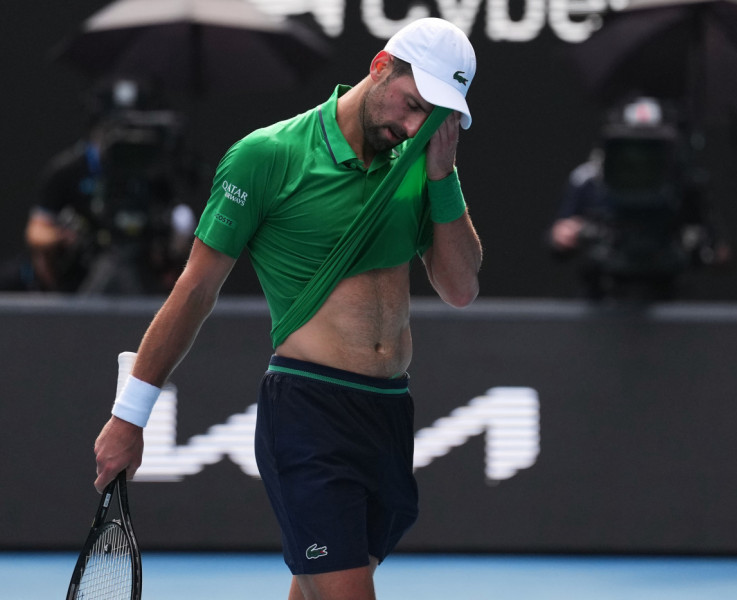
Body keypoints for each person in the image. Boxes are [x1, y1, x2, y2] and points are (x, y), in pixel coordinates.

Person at [93, 18, 482, 600]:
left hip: (388, 414)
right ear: (380, 67)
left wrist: (443, 175)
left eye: (431, 117)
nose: (412, 126)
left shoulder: (419, 163)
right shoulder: (267, 156)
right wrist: (129, 417)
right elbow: (195, 291)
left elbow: (460, 288)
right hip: (310, 415)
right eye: (411, 104)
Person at [16, 79, 197, 294]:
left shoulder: (153, 173)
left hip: (143, 273)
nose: (126, 137)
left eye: (133, 129)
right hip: (82, 276)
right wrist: (65, 237)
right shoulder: (68, 170)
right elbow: (36, 231)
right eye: (117, 128)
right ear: (97, 126)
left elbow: (175, 226)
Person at [548, 97, 730, 301]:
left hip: (669, 295)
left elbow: (718, 252)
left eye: (651, 147)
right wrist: (568, 235)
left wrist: (703, 247)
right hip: (603, 294)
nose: (639, 157)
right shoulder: (589, 180)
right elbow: (558, 239)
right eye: (631, 145)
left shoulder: (686, 184)